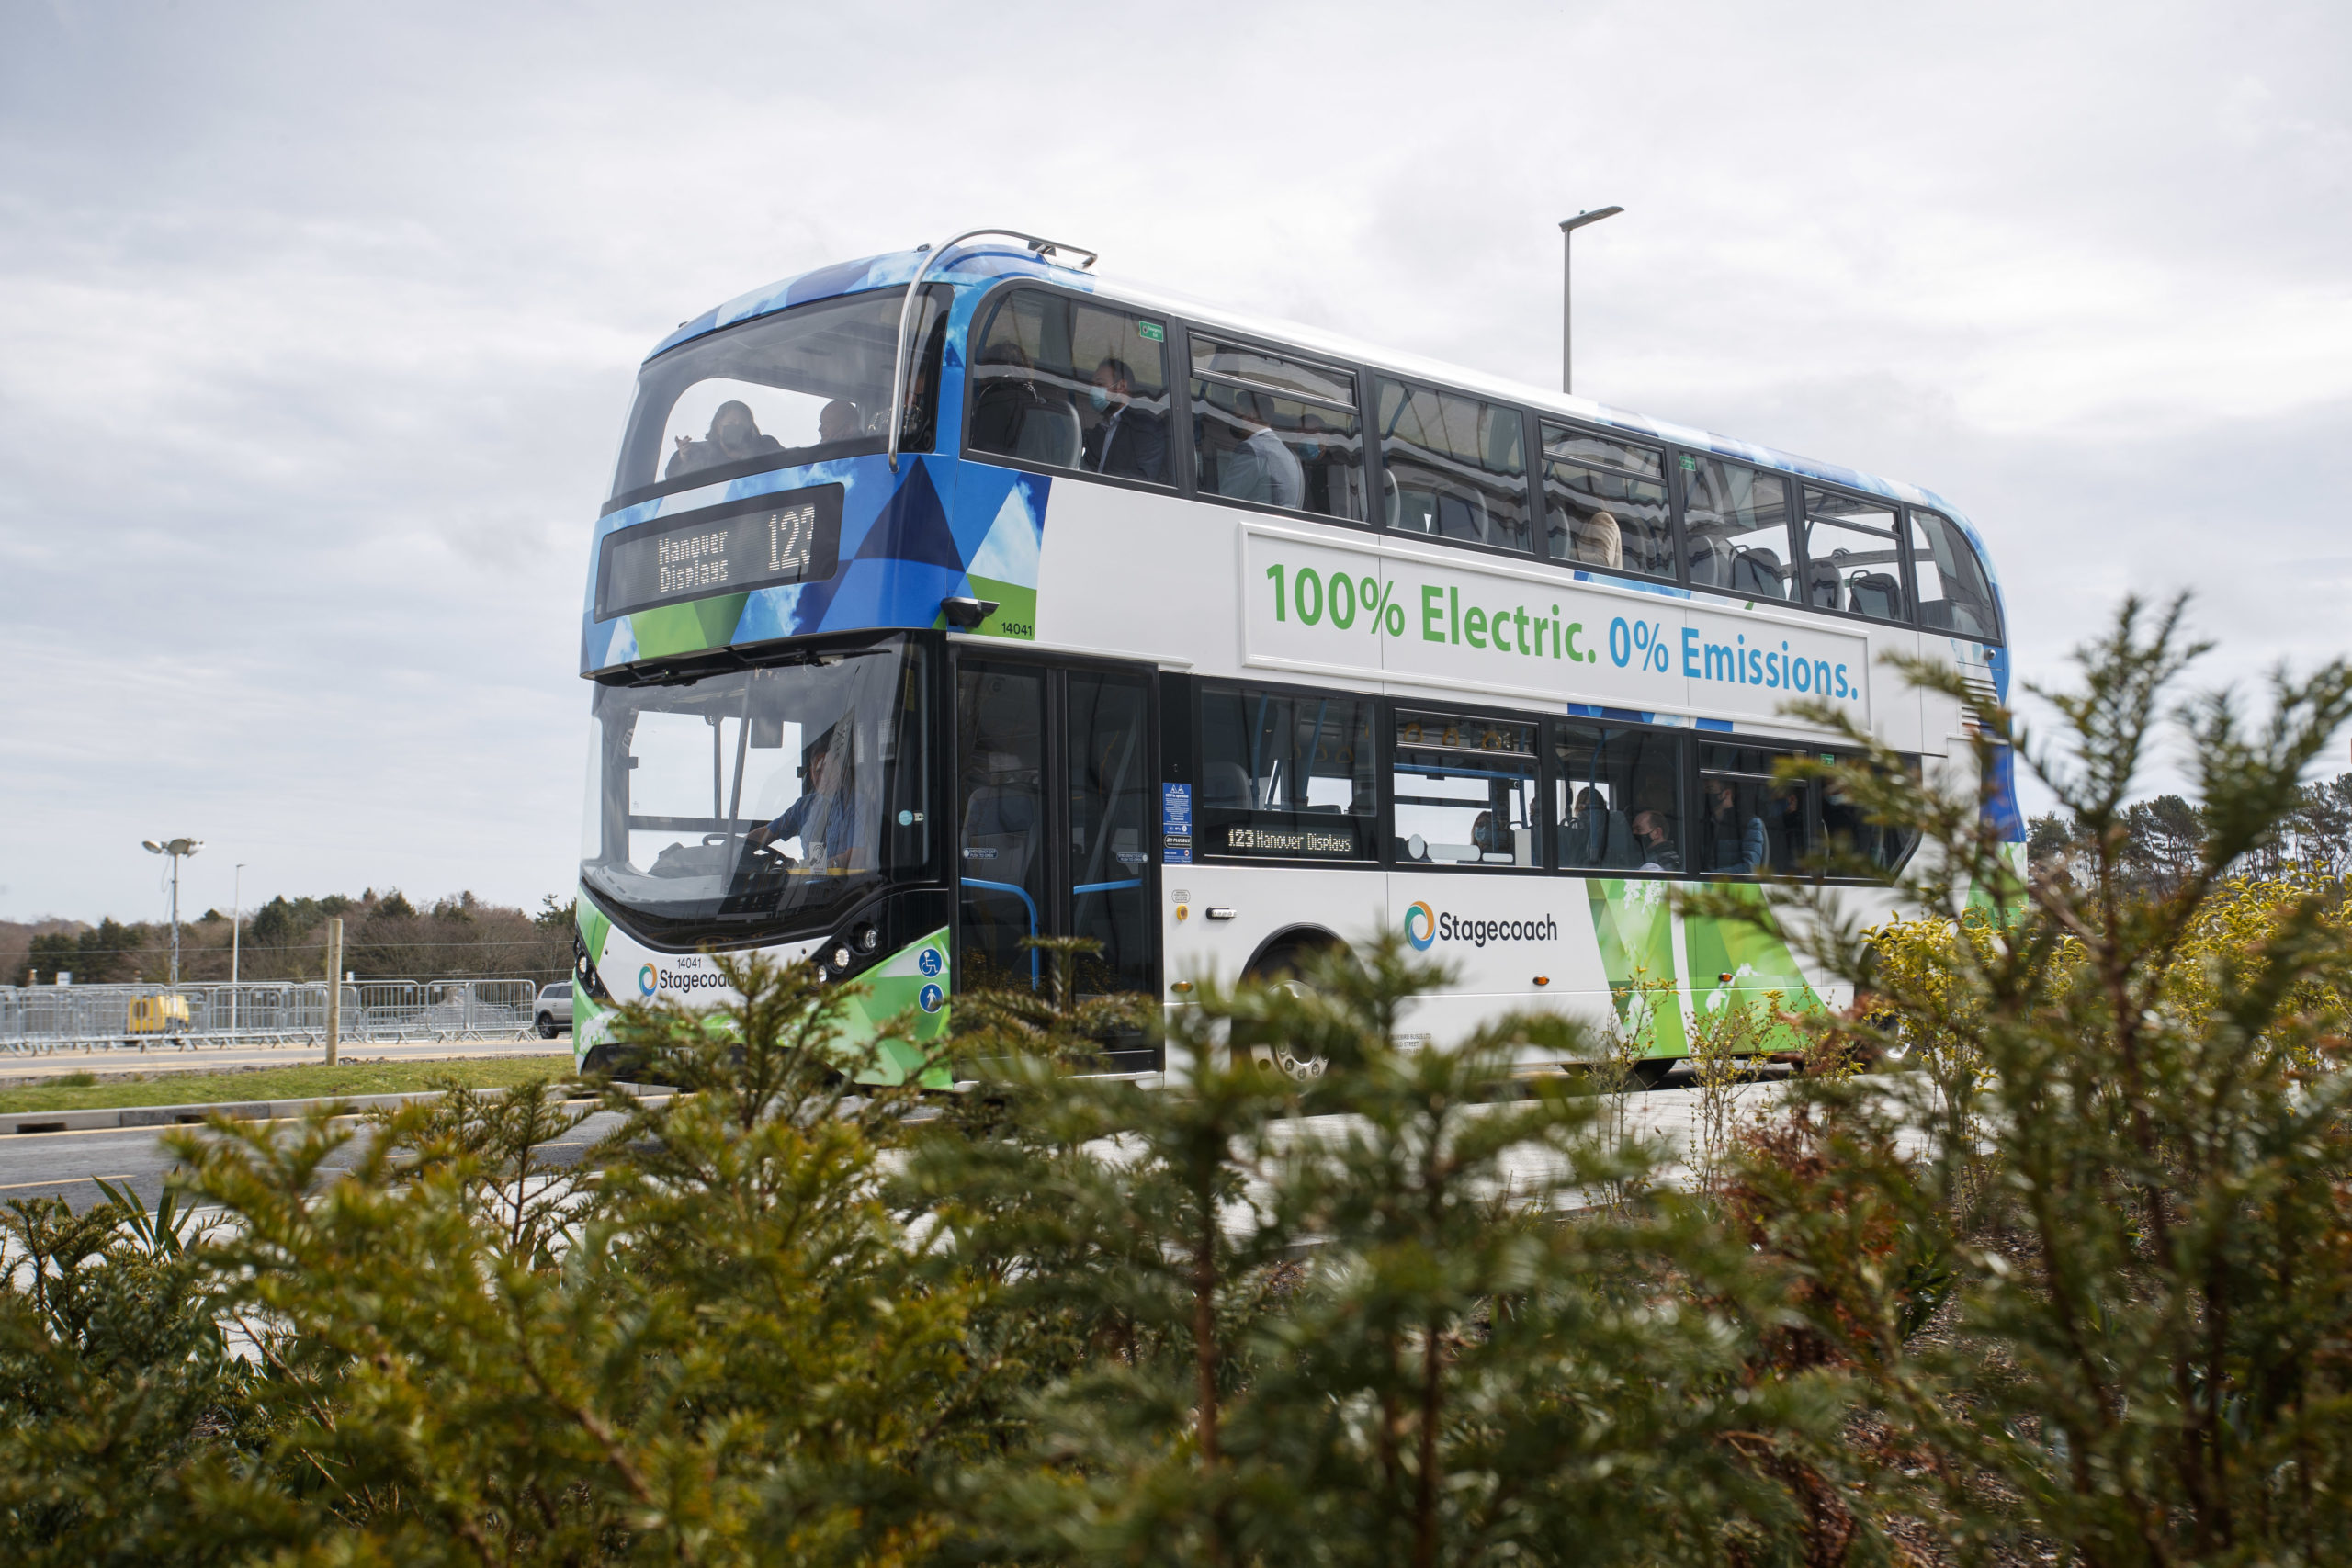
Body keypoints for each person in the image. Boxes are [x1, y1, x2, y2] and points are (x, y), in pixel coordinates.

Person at [746, 730, 858, 869]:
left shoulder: (856, 804)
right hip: (808, 886)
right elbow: (767, 833)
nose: (823, 776)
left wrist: (817, 867)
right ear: (810, 773)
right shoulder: (804, 806)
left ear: (841, 770)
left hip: (843, 887)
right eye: (817, 770)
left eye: (828, 769)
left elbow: (857, 856)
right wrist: (735, 847)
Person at [1080, 357, 1168, 483]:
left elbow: (1145, 480)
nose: (1093, 391)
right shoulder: (1098, 432)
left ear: (1121, 387)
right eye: (1092, 386)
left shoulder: (1145, 430)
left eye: (1100, 385)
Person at [1216, 389, 1305, 508]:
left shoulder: (1251, 449)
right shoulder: (1291, 456)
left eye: (1236, 415)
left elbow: (1226, 499)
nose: (1233, 420)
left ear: (1250, 415)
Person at [667, 400, 786, 478]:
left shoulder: (765, 446)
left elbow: (789, 462)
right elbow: (673, 479)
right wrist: (684, 457)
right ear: (718, 426)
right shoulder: (700, 452)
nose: (737, 425)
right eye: (731, 422)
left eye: (742, 423)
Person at [1703, 778, 1767, 874]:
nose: (1705, 794)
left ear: (1727, 794)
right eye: (1704, 790)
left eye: (1710, 789)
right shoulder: (1705, 824)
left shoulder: (1750, 823)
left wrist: (1710, 877)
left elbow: (1749, 869)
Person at [1631, 809, 1680, 873]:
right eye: (1633, 830)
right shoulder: (1672, 858)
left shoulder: (1654, 866)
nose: (1633, 834)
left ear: (1656, 833)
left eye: (1639, 829)